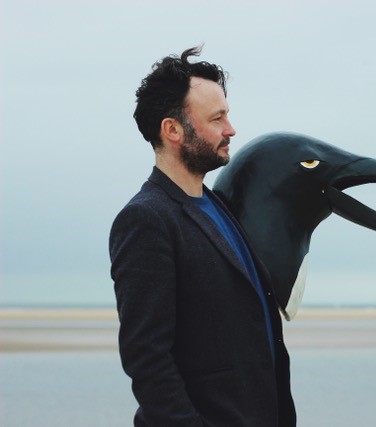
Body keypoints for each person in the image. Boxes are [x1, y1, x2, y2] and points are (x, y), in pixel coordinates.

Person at [109, 46, 296, 427]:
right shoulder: (146, 219)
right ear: (173, 130)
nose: (231, 129)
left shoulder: (219, 206)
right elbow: (147, 358)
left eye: (227, 115)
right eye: (217, 118)